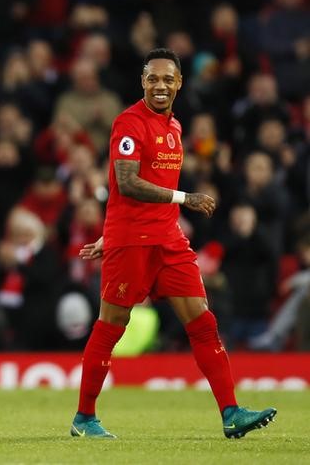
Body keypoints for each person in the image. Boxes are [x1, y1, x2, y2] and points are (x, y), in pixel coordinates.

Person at [70, 48, 276, 439]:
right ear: (142, 82)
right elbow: (127, 182)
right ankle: (84, 417)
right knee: (112, 324)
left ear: (179, 83)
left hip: (168, 239)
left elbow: (132, 187)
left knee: (202, 319)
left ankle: (231, 412)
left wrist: (107, 233)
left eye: (168, 79)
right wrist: (185, 199)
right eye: (153, 78)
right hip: (132, 242)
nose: (160, 86)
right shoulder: (129, 123)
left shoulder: (175, 128)